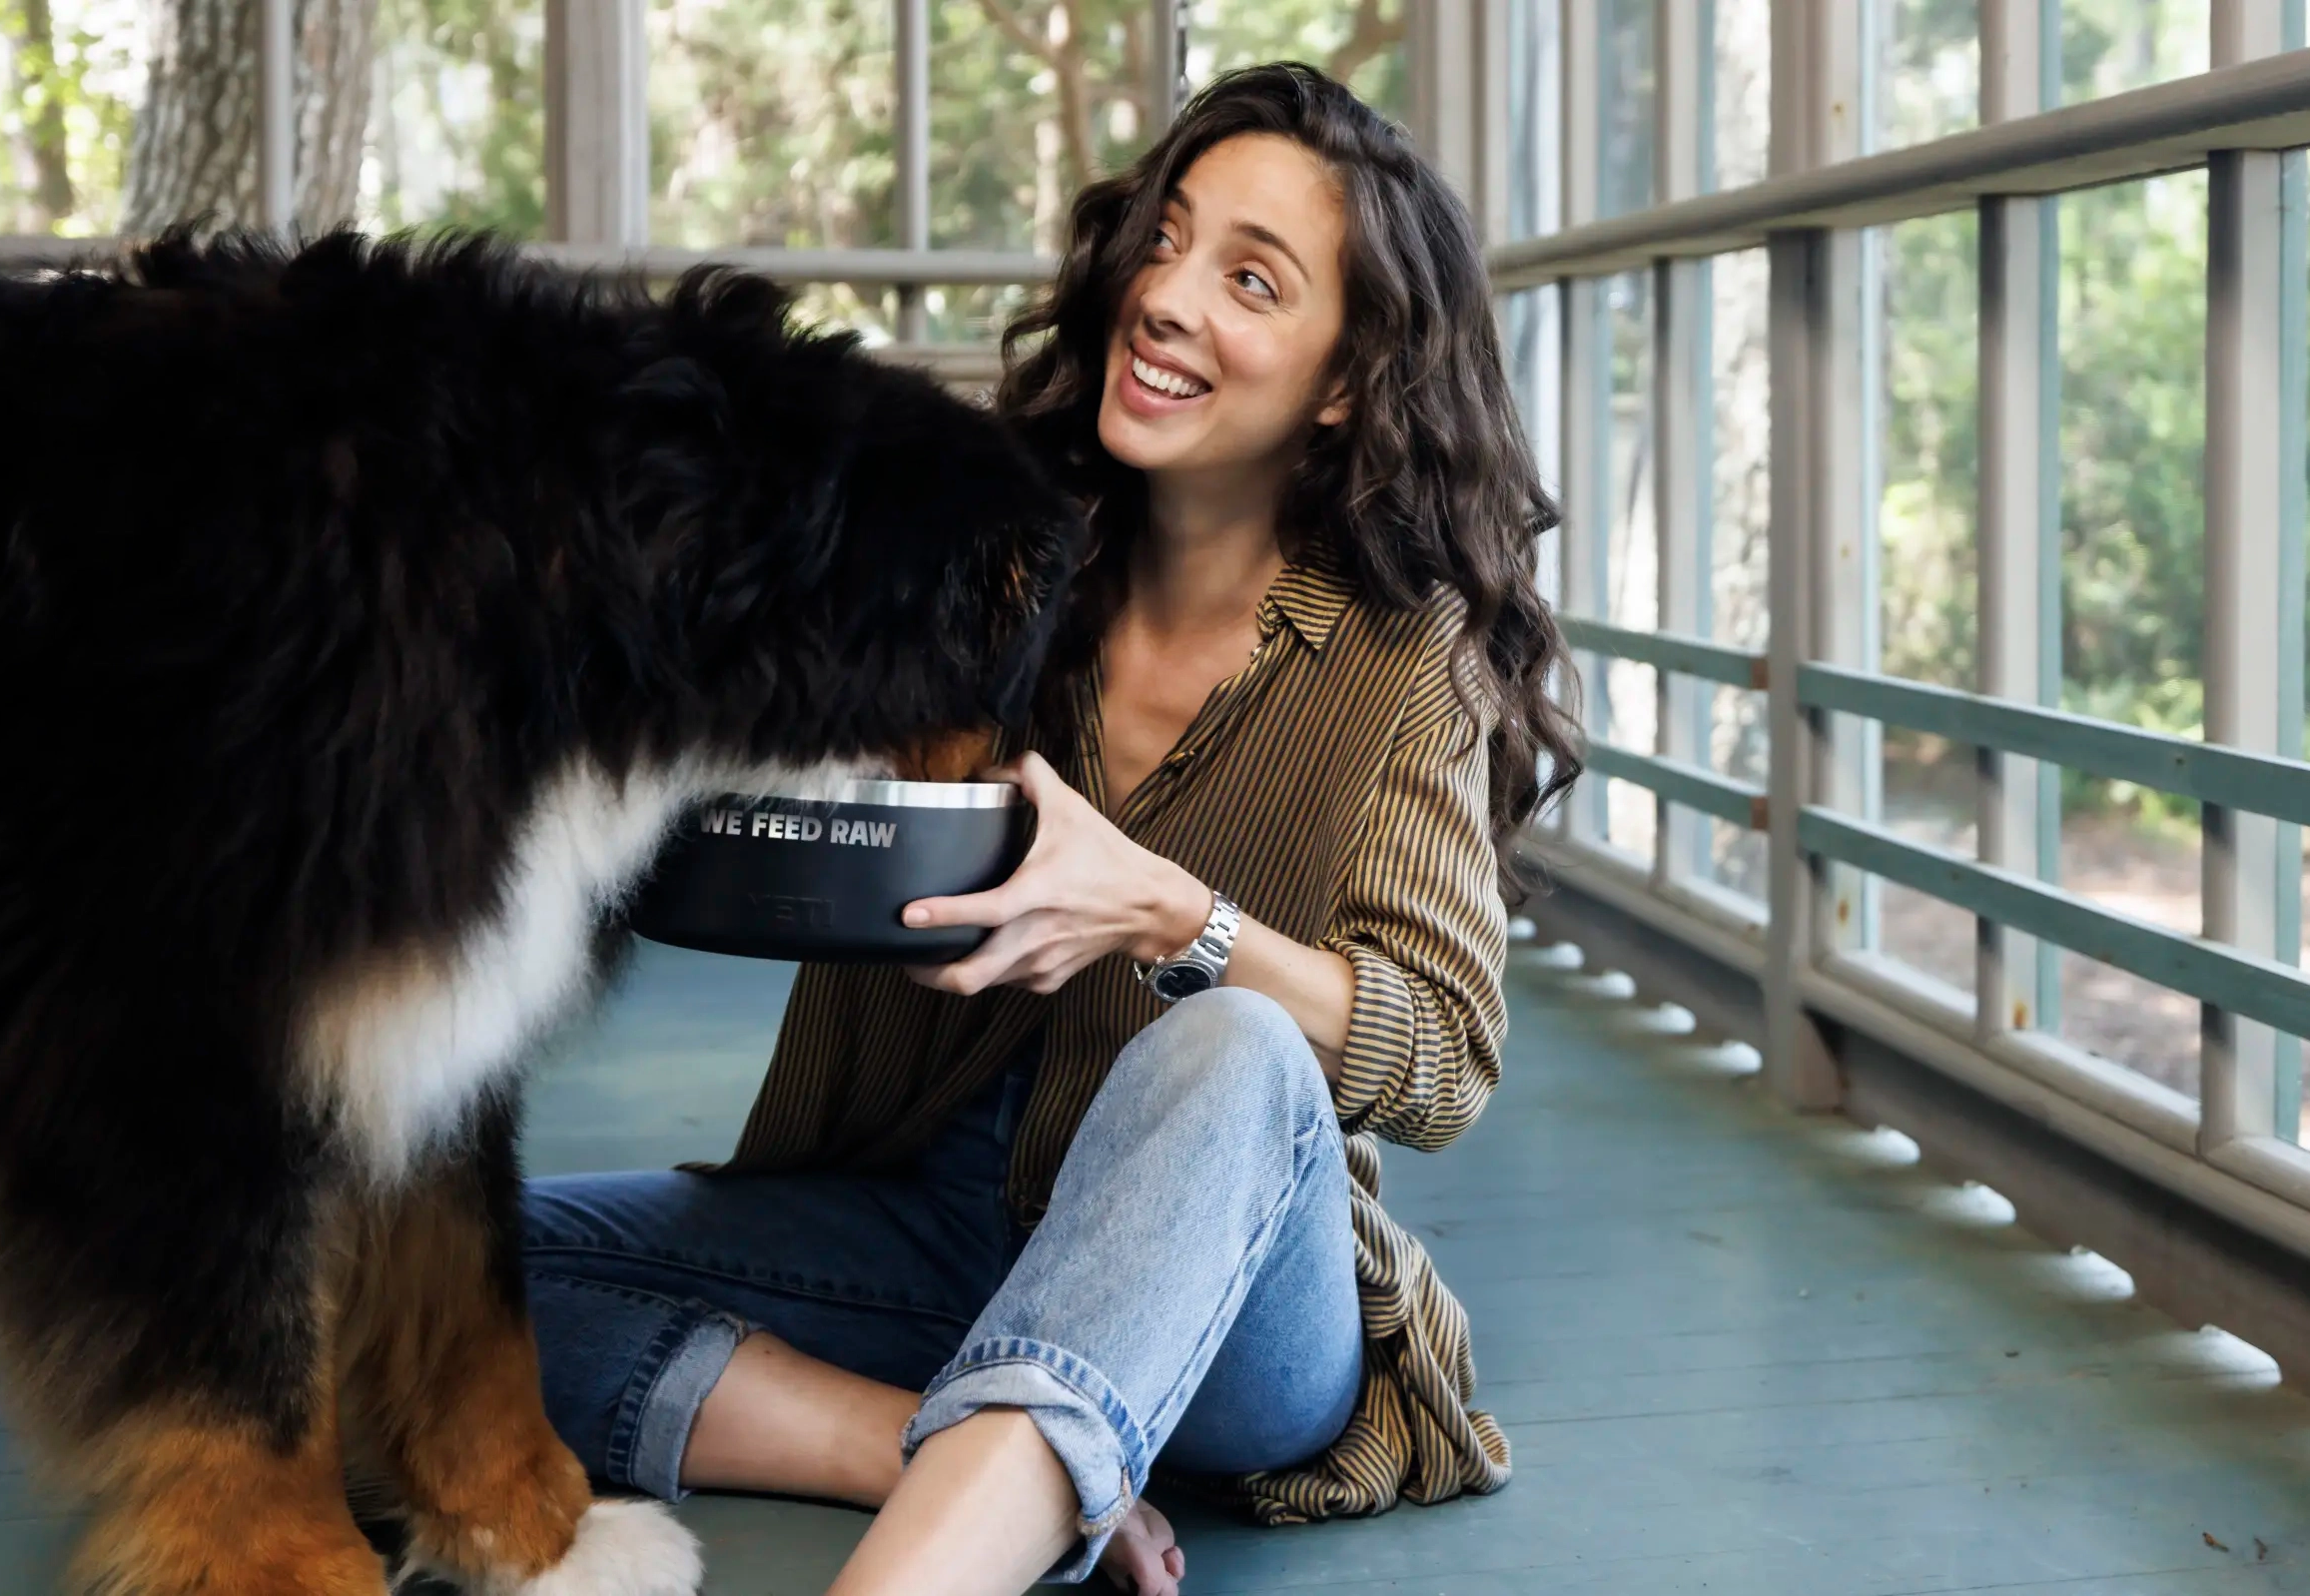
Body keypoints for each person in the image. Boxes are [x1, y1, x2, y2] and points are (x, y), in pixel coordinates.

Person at [519, 62, 1579, 1596]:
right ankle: (935, 1441)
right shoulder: (992, 550)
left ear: (1344, 380)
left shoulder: (1404, 655)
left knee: (1234, 1047)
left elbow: (1440, 1054)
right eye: (1168, 238)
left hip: (1227, 1297)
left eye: (1250, 279)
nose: (1166, 295)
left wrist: (1172, 918)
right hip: (919, 1219)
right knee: (429, 1291)